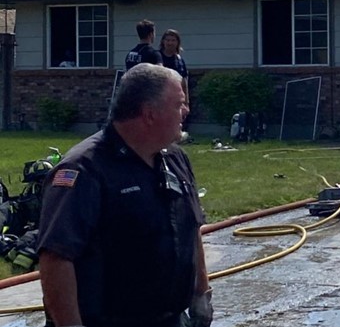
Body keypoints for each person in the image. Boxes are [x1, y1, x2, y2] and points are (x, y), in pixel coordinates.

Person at [37, 63, 213, 327]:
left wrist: (201, 292)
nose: (186, 111)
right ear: (149, 113)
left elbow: (192, 226)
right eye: (179, 104)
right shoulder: (85, 169)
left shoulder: (175, 158)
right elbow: (56, 257)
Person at [159, 28, 190, 99]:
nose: (170, 43)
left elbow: (184, 81)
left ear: (177, 43)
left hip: (176, 96)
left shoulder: (179, 59)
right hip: (161, 97)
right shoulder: (157, 57)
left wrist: (186, 101)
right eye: (167, 40)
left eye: (173, 40)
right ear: (163, 42)